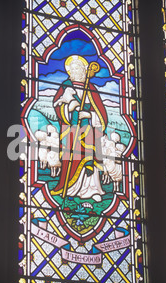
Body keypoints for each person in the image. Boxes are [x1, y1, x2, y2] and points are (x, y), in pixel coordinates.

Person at [50, 55, 107, 202]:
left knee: (91, 155)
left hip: (90, 132)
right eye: (74, 68)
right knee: (72, 156)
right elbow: (58, 107)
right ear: (69, 71)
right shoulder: (65, 86)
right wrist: (70, 108)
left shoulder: (91, 88)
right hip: (72, 130)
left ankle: (92, 189)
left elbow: (102, 115)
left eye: (80, 68)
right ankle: (70, 188)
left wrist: (88, 114)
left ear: (85, 70)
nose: (77, 71)